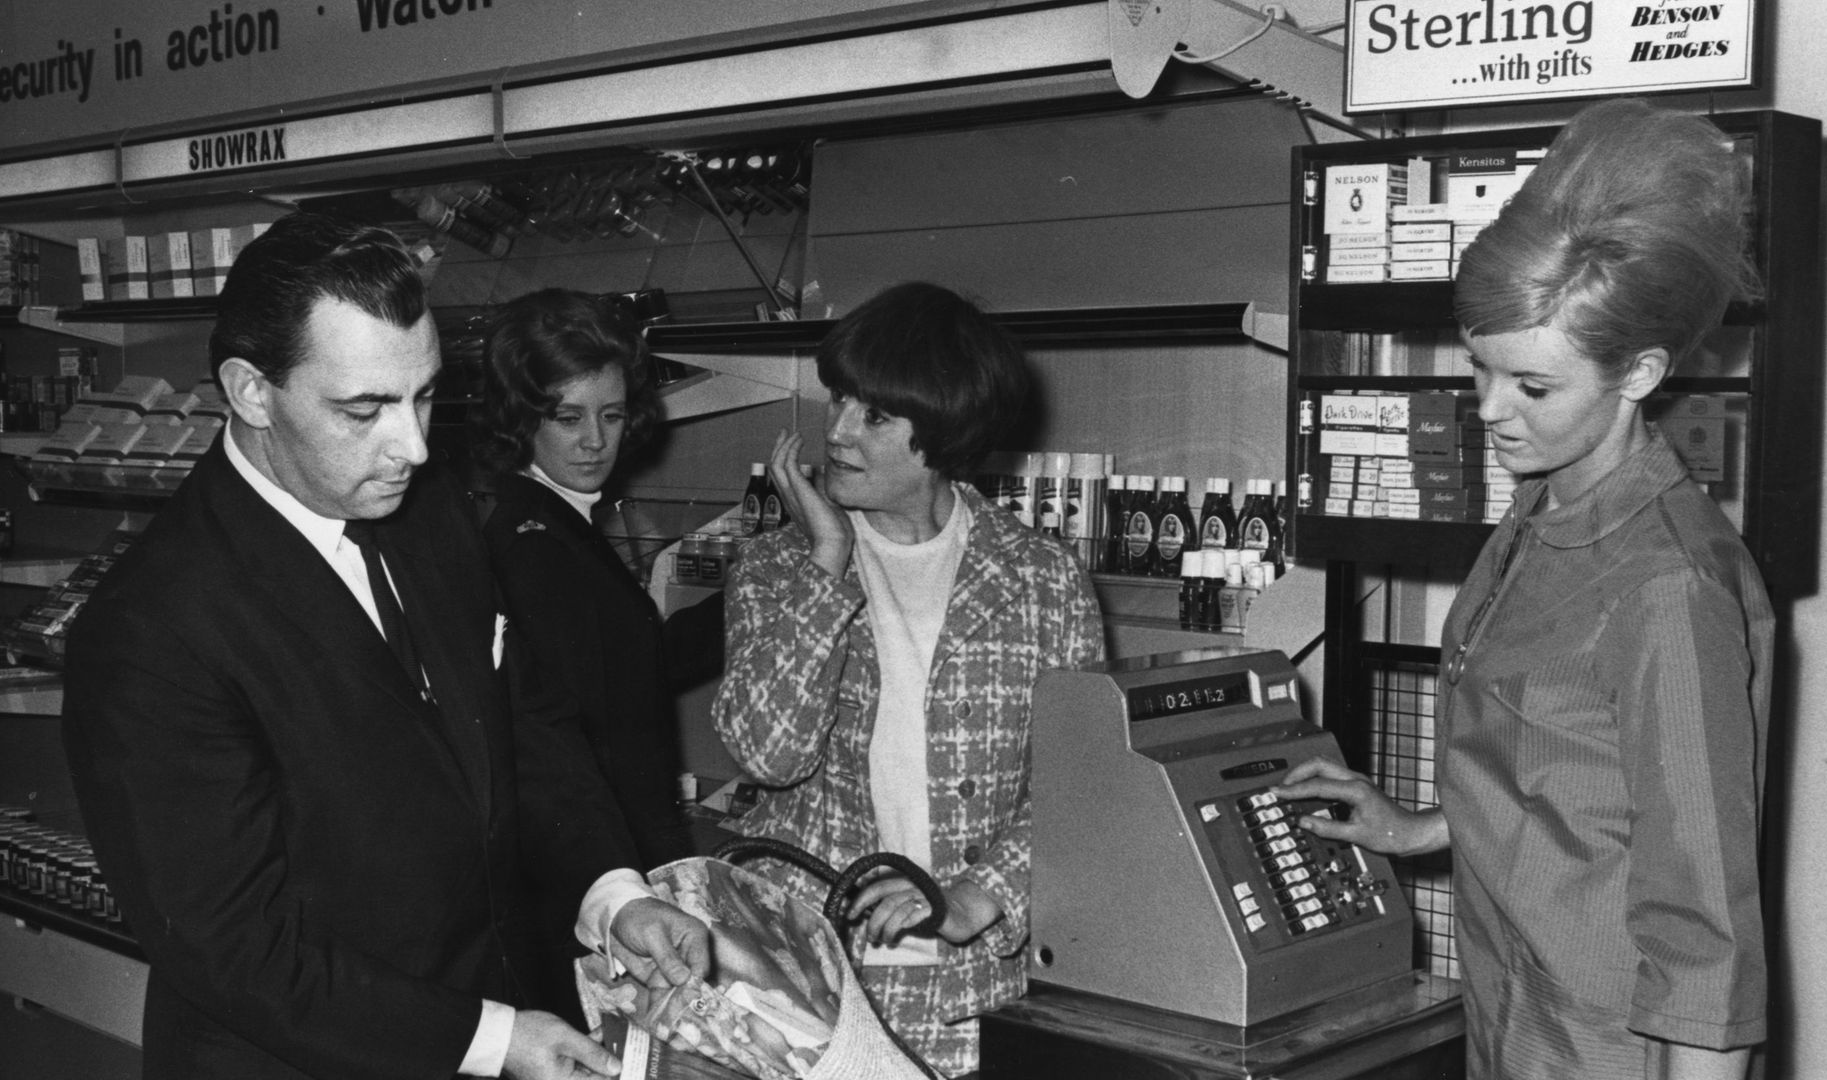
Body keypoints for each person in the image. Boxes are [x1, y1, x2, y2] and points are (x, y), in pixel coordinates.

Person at [61, 213, 710, 1080]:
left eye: (426, 396)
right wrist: (494, 1039)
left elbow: (525, 719)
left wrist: (612, 892)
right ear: (252, 392)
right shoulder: (153, 625)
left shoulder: (430, 513)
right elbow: (238, 951)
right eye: (364, 408)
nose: (410, 445)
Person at [1276, 100, 1773, 1079]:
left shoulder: (1665, 583)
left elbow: (1706, 936)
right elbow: (1565, 779)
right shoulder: (1540, 506)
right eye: (1480, 366)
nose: (1493, 411)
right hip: (1513, 1028)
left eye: (1534, 389)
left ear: (1639, 372)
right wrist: (1417, 827)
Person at [712, 281, 1104, 1075]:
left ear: (943, 429)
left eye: (874, 415)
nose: (837, 431)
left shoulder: (1041, 578)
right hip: (810, 986)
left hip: (973, 988)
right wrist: (826, 565)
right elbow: (767, 755)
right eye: (838, 402)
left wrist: (978, 896)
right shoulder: (778, 566)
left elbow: (1079, 779)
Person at [473, 287, 726, 1020]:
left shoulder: (556, 525)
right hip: (601, 882)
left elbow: (636, 667)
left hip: (610, 879)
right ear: (522, 419)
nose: (594, 441)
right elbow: (568, 748)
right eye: (568, 417)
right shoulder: (535, 549)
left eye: (612, 416)